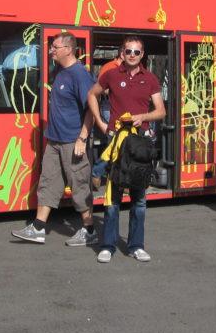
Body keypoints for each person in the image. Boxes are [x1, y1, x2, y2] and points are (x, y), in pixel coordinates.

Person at [12, 32, 97, 247]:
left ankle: (89, 230)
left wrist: (82, 138)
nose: (51, 50)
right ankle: (38, 228)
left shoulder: (80, 75)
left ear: (68, 49)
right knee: (48, 183)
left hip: (72, 141)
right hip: (54, 140)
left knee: (79, 185)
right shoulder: (59, 71)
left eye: (55, 47)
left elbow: (91, 109)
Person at [87, 36, 165, 263]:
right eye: (128, 51)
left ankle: (136, 246)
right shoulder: (111, 75)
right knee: (113, 198)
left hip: (139, 144)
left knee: (139, 199)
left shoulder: (150, 78)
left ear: (142, 55)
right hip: (116, 143)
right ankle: (108, 246)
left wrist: (144, 117)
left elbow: (161, 111)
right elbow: (92, 94)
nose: (132, 55)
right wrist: (100, 123)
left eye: (136, 52)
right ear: (122, 53)